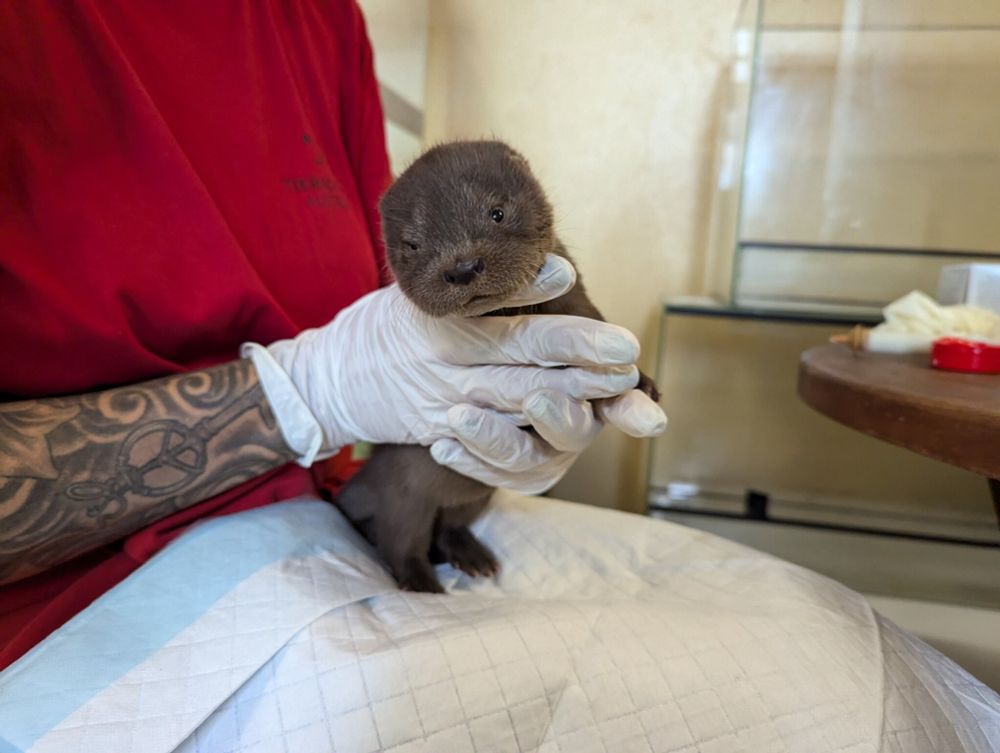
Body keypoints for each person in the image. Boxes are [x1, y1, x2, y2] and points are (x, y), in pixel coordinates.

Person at [0, 0, 664, 670]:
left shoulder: (323, 18)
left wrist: (603, 379)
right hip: (86, 616)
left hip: (320, 530)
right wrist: (307, 391)